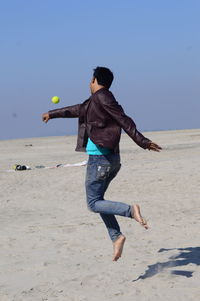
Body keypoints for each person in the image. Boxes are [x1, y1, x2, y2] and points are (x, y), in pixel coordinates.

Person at [42, 67, 162, 261]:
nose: (88, 83)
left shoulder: (103, 97)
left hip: (101, 160)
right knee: (101, 202)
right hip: (109, 160)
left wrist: (143, 141)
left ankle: (130, 211)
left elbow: (124, 119)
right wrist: (52, 113)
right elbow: (75, 110)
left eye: (90, 80)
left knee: (93, 203)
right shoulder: (95, 102)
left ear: (95, 80)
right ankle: (116, 237)